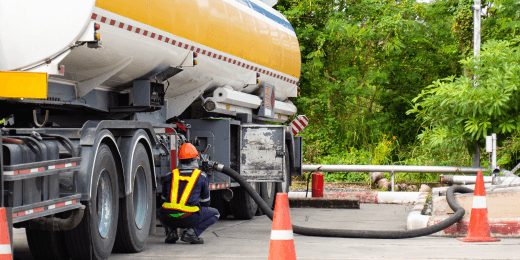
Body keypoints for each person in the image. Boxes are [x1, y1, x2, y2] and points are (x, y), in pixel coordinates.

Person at [159, 143, 220, 244]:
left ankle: (171, 232)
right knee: (215, 213)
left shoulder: (170, 175)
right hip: (189, 218)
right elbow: (206, 203)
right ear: (195, 159)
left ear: (179, 160)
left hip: (168, 218)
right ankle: (191, 233)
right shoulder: (202, 176)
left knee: (162, 209)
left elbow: (163, 200)